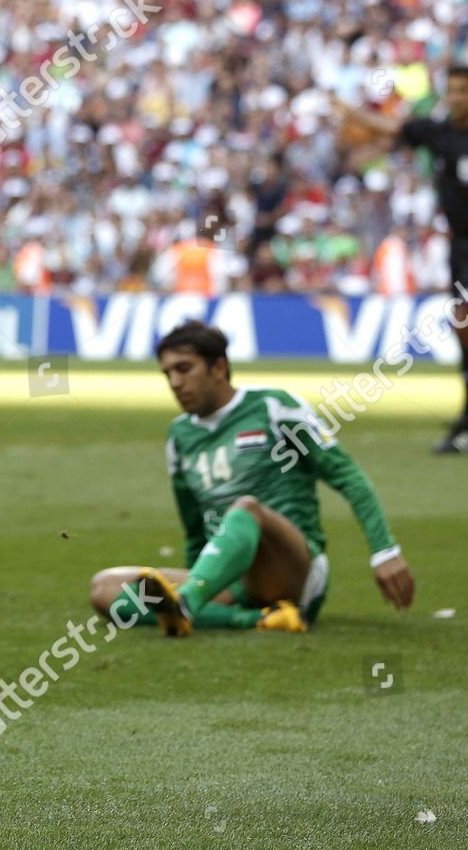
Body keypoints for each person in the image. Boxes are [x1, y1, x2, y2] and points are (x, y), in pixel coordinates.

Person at [89, 321, 415, 636]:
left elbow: (348, 476)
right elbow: (194, 529)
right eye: (167, 373)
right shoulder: (180, 436)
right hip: (232, 579)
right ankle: (257, 619)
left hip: (293, 570)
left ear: (218, 367)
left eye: (184, 369)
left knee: (247, 508)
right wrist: (202, 575)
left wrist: (385, 551)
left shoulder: (274, 407)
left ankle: (188, 603)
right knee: (105, 588)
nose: (174, 382)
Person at [334, 70, 468, 452]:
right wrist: (351, 113)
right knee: (462, 323)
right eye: (453, 90)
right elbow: (392, 129)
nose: (457, 97)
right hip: (459, 246)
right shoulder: (439, 134)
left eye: (464, 91)